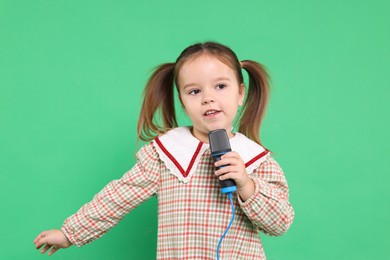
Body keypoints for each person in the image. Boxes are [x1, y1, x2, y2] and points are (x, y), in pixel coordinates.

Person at [34, 41, 294, 259]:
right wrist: (70, 233)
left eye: (220, 86)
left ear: (240, 94)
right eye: (194, 91)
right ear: (182, 101)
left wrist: (247, 185)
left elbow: (280, 223)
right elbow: (118, 196)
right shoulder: (164, 154)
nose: (208, 98)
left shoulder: (257, 160)